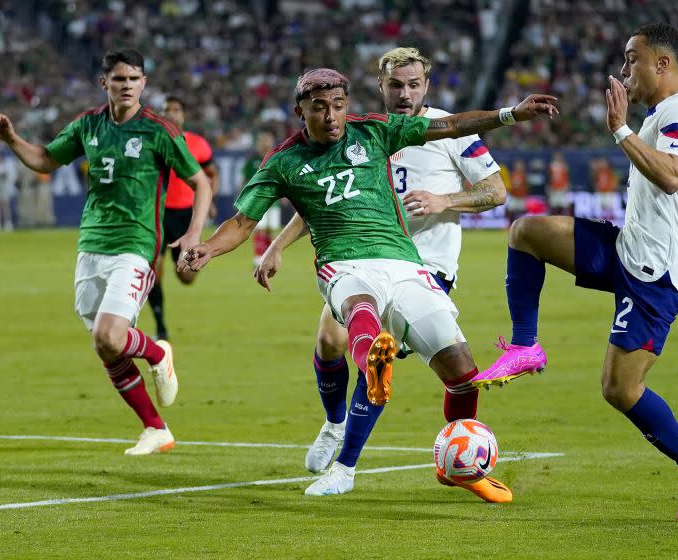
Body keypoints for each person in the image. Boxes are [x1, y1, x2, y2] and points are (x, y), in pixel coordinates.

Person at [180, 67, 556, 502]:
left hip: (406, 264)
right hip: (343, 263)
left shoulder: (375, 132)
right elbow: (243, 221)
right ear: (300, 111)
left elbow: (450, 125)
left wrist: (511, 114)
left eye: (338, 106)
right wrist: (209, 247)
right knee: (358, 310)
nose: (331, 116)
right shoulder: (283, 162)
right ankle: (356, 422)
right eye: (319, 108)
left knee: (462, 373)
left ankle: (462, 468)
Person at [471, 24, 678, 521]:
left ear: (662, 64)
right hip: (630, 249)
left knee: (619, 389)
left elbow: (674, 176)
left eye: (632, 59)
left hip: (656, 275)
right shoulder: (661, 113)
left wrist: (621, 131)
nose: (625, 69)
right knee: (526, 232)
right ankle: (526, 345)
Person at [253, 48, 507, 497]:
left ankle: (347, 466)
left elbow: (496, 191)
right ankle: (334, 425)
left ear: (426, 86)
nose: (405, 93)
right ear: (381, 85)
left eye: (413, 85)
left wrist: (446, 201)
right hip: (358, 258)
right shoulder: (363, 132)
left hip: (425, 266)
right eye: (396, 85)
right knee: (330, 341)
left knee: (379, 357)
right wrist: (277, 244)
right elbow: (326, 197)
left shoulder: (449, 131)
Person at [0, 49, 213, 455]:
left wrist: (194, 233)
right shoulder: (87, 125)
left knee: (110, 334)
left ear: (144, 83)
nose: (127, 86)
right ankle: (155, 428)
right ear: (104, 83)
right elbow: (44, 160)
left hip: (137, 246)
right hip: (91, 245)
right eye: (119, 79)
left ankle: (159, 351)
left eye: (134, 79)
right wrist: (11, 139)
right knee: (105, 345)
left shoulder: (159, 130)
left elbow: (201, 183)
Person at [147, 95, 219, 341]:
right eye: (166, 109)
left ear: (183, 114)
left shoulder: (198, 144)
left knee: (187, 277)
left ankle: (173, 259)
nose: (171, 113)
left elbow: (210, 173)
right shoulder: (152, 142)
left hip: (185, 216)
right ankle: (160, 325)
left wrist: (209, 201)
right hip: (157, 214)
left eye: (175, 109)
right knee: (153, 272)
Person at [242, 131, 279, 267]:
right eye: (262, 141)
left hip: (274, 201)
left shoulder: (276, 158)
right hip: (257, 201)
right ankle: (258, 259)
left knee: (272, 230)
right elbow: (245, 180)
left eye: (267, 140)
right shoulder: (252, 161)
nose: (264, 143)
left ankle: (270, 257)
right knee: (260, 229)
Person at [547, 151, 571, 215]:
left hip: (562, 188)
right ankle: (553, 219)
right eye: (556, 156)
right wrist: (549, 187)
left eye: (559, 156)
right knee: (554, 205)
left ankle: (562, 219)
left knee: (563, 205)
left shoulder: (564, 166)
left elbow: (567, 177)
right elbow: (549, 177)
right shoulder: (551, 165)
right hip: (554, 188)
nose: (558, 157)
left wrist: (567, 186)